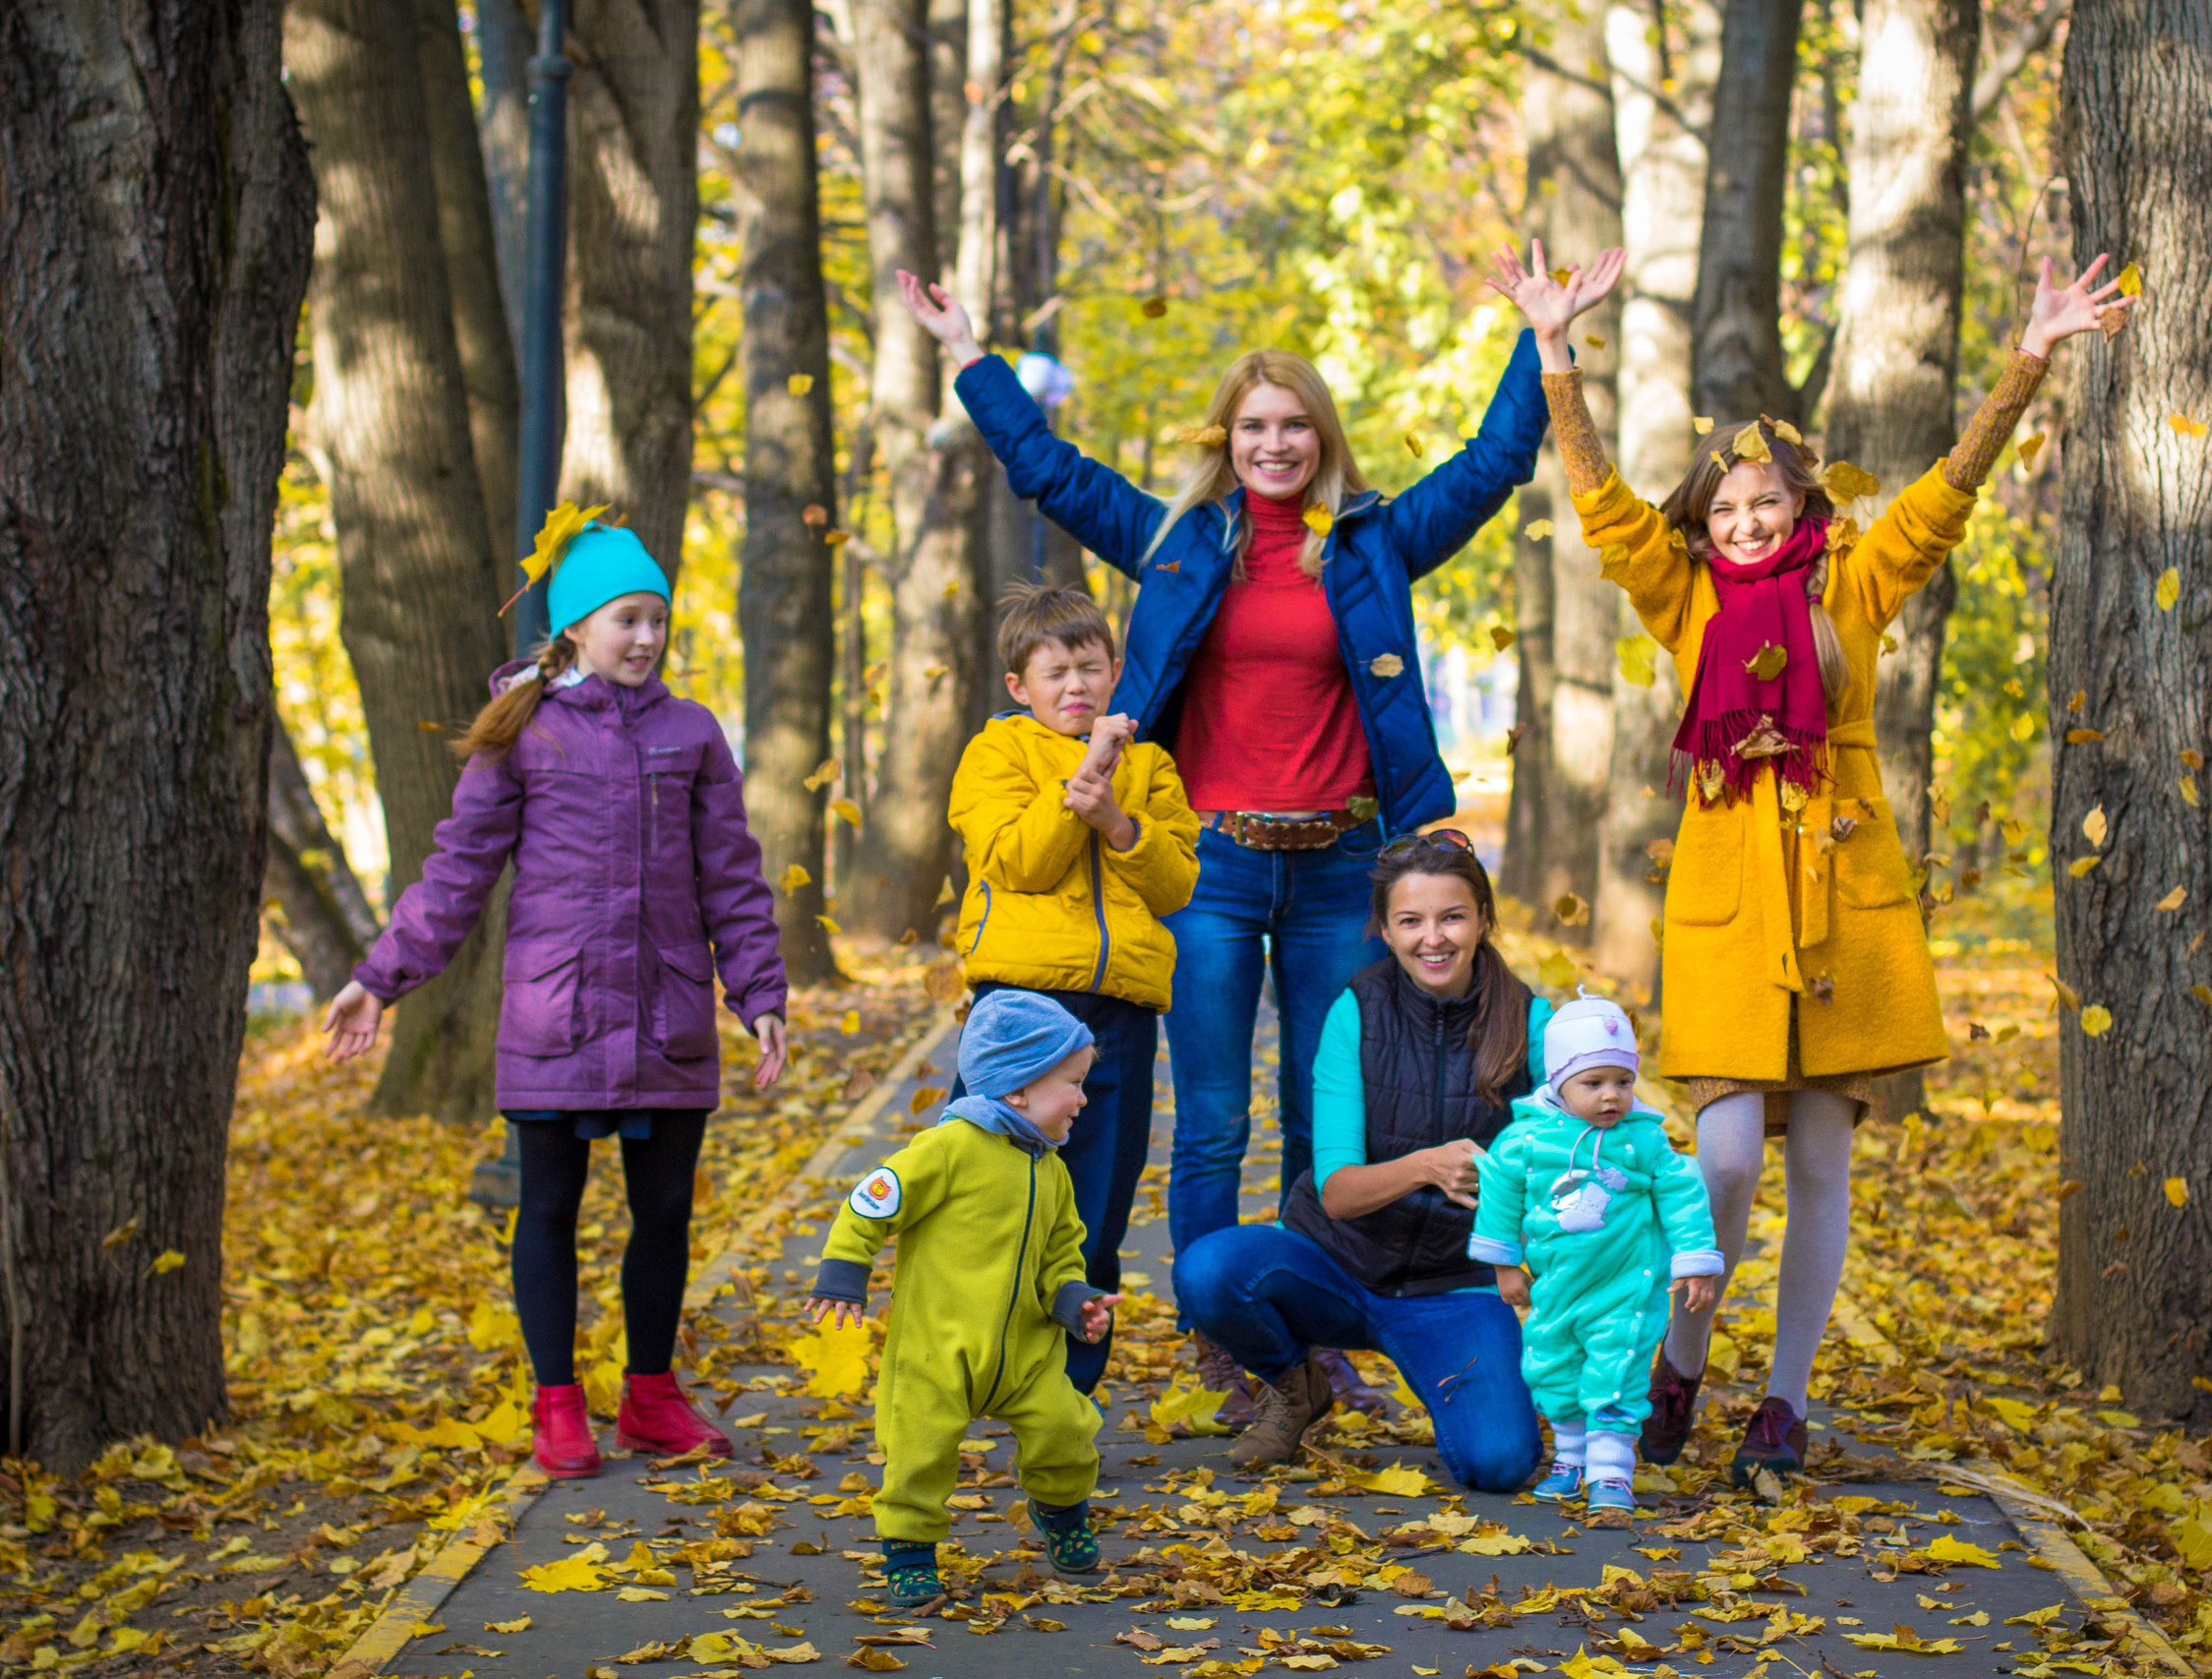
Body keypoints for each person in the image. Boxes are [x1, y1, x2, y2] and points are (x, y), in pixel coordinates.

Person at [1492, 241, 2130, 1484]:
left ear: (1800, 506)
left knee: (1825, 1170)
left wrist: (2028, 361)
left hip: (1845, 906)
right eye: (1724, 509)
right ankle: (1680, 1363)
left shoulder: (1853, 584)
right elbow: (1605, 510)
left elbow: (1945, 499)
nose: (1743, 523)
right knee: (1724, 1160)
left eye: (1764, 505)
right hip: (1729, 909)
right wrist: (1553, 354)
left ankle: (1782, 1404)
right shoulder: (1682, 597)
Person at [894, 263, 1552, 1416]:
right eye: (1254, 425)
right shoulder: (1175, 543)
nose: (1275, 444)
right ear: (1227, 438)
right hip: (1209, 862)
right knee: (1209, 1123)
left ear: (1321, 437)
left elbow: (1493, 467)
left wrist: (1542, 343)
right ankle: (1223, 1345)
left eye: (1295, 424)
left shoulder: (1371, 543)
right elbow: (1049, 471)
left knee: (1319, 1111)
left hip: (1342, 860)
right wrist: (967, 355)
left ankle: (1306, 1327)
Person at [322, 519, 789, 1479]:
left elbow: (732, 879)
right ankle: (557, 1406)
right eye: (627, 619)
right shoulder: (522, 731)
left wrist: (759, 993)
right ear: (575, 627)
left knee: (664, 1217)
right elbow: (456, 874)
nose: (647, 637)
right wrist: (379, 980)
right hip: (557, 1018)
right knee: (548, 1210)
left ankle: (652, 1400)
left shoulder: (691, 733)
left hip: (667, 1018)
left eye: (658, 619)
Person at [1171, 834, 1551, 1493]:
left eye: (1452, 916)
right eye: (1410, 920)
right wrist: (1427, 1166)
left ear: (1483, 917)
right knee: (1208, 1269)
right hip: (1336, 1267)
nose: (1432, 938)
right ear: (1383, 928)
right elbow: (1339, 1192)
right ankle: (1296, 1386)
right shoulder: (1356, 1011)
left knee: (1499, 1465)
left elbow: (1572, 1167)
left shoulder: (1533, 1022)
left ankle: (1467, 1384)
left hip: (1455, 1288)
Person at [946, 581, 1201, 1393]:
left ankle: (1064, 1396)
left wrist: (1120, 823)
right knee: (988, 1203)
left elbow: (1176, 883)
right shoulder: (997, 753)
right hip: (1018, 1013)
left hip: (1117, 1014)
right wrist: (1081, 791)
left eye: (1090, 668)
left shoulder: (1150, 765)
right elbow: (1017, 859)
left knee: (1094, 1207)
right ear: (1020, 685)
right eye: (1055, 673)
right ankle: (971, 1371)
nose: (1076, 688)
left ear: (1116, 670)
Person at [806, 990, 1122, 1606]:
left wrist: (1072, 1299)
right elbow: (870, 1203)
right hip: (938, 1348)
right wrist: (844, 1273)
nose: (1084, 1099)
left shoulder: (1051, 1170)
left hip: (1025, 1350)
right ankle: (909, 1549)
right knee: (919, 1451)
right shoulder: (946, 1150)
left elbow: (1061, 1253)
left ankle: (1060, 1512)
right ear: (1018, 1089)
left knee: (1067, 1427)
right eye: (1073, 1083)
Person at [1467, 992, 1724, 1518]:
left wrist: (1695, 1259)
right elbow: (1498, 1194)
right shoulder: (1525, 1141)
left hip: (1627, 1289)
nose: (1612, 1096)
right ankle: (1572, 1459)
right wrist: (1503, 1264)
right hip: (1556, 1287)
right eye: (1594, 1083)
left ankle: (1612, 1472)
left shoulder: (1642, 1142)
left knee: (1618, 1370)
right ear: (1558, 1082)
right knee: (1552, 1367)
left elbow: (1682, 1191)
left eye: (1623, 1082)